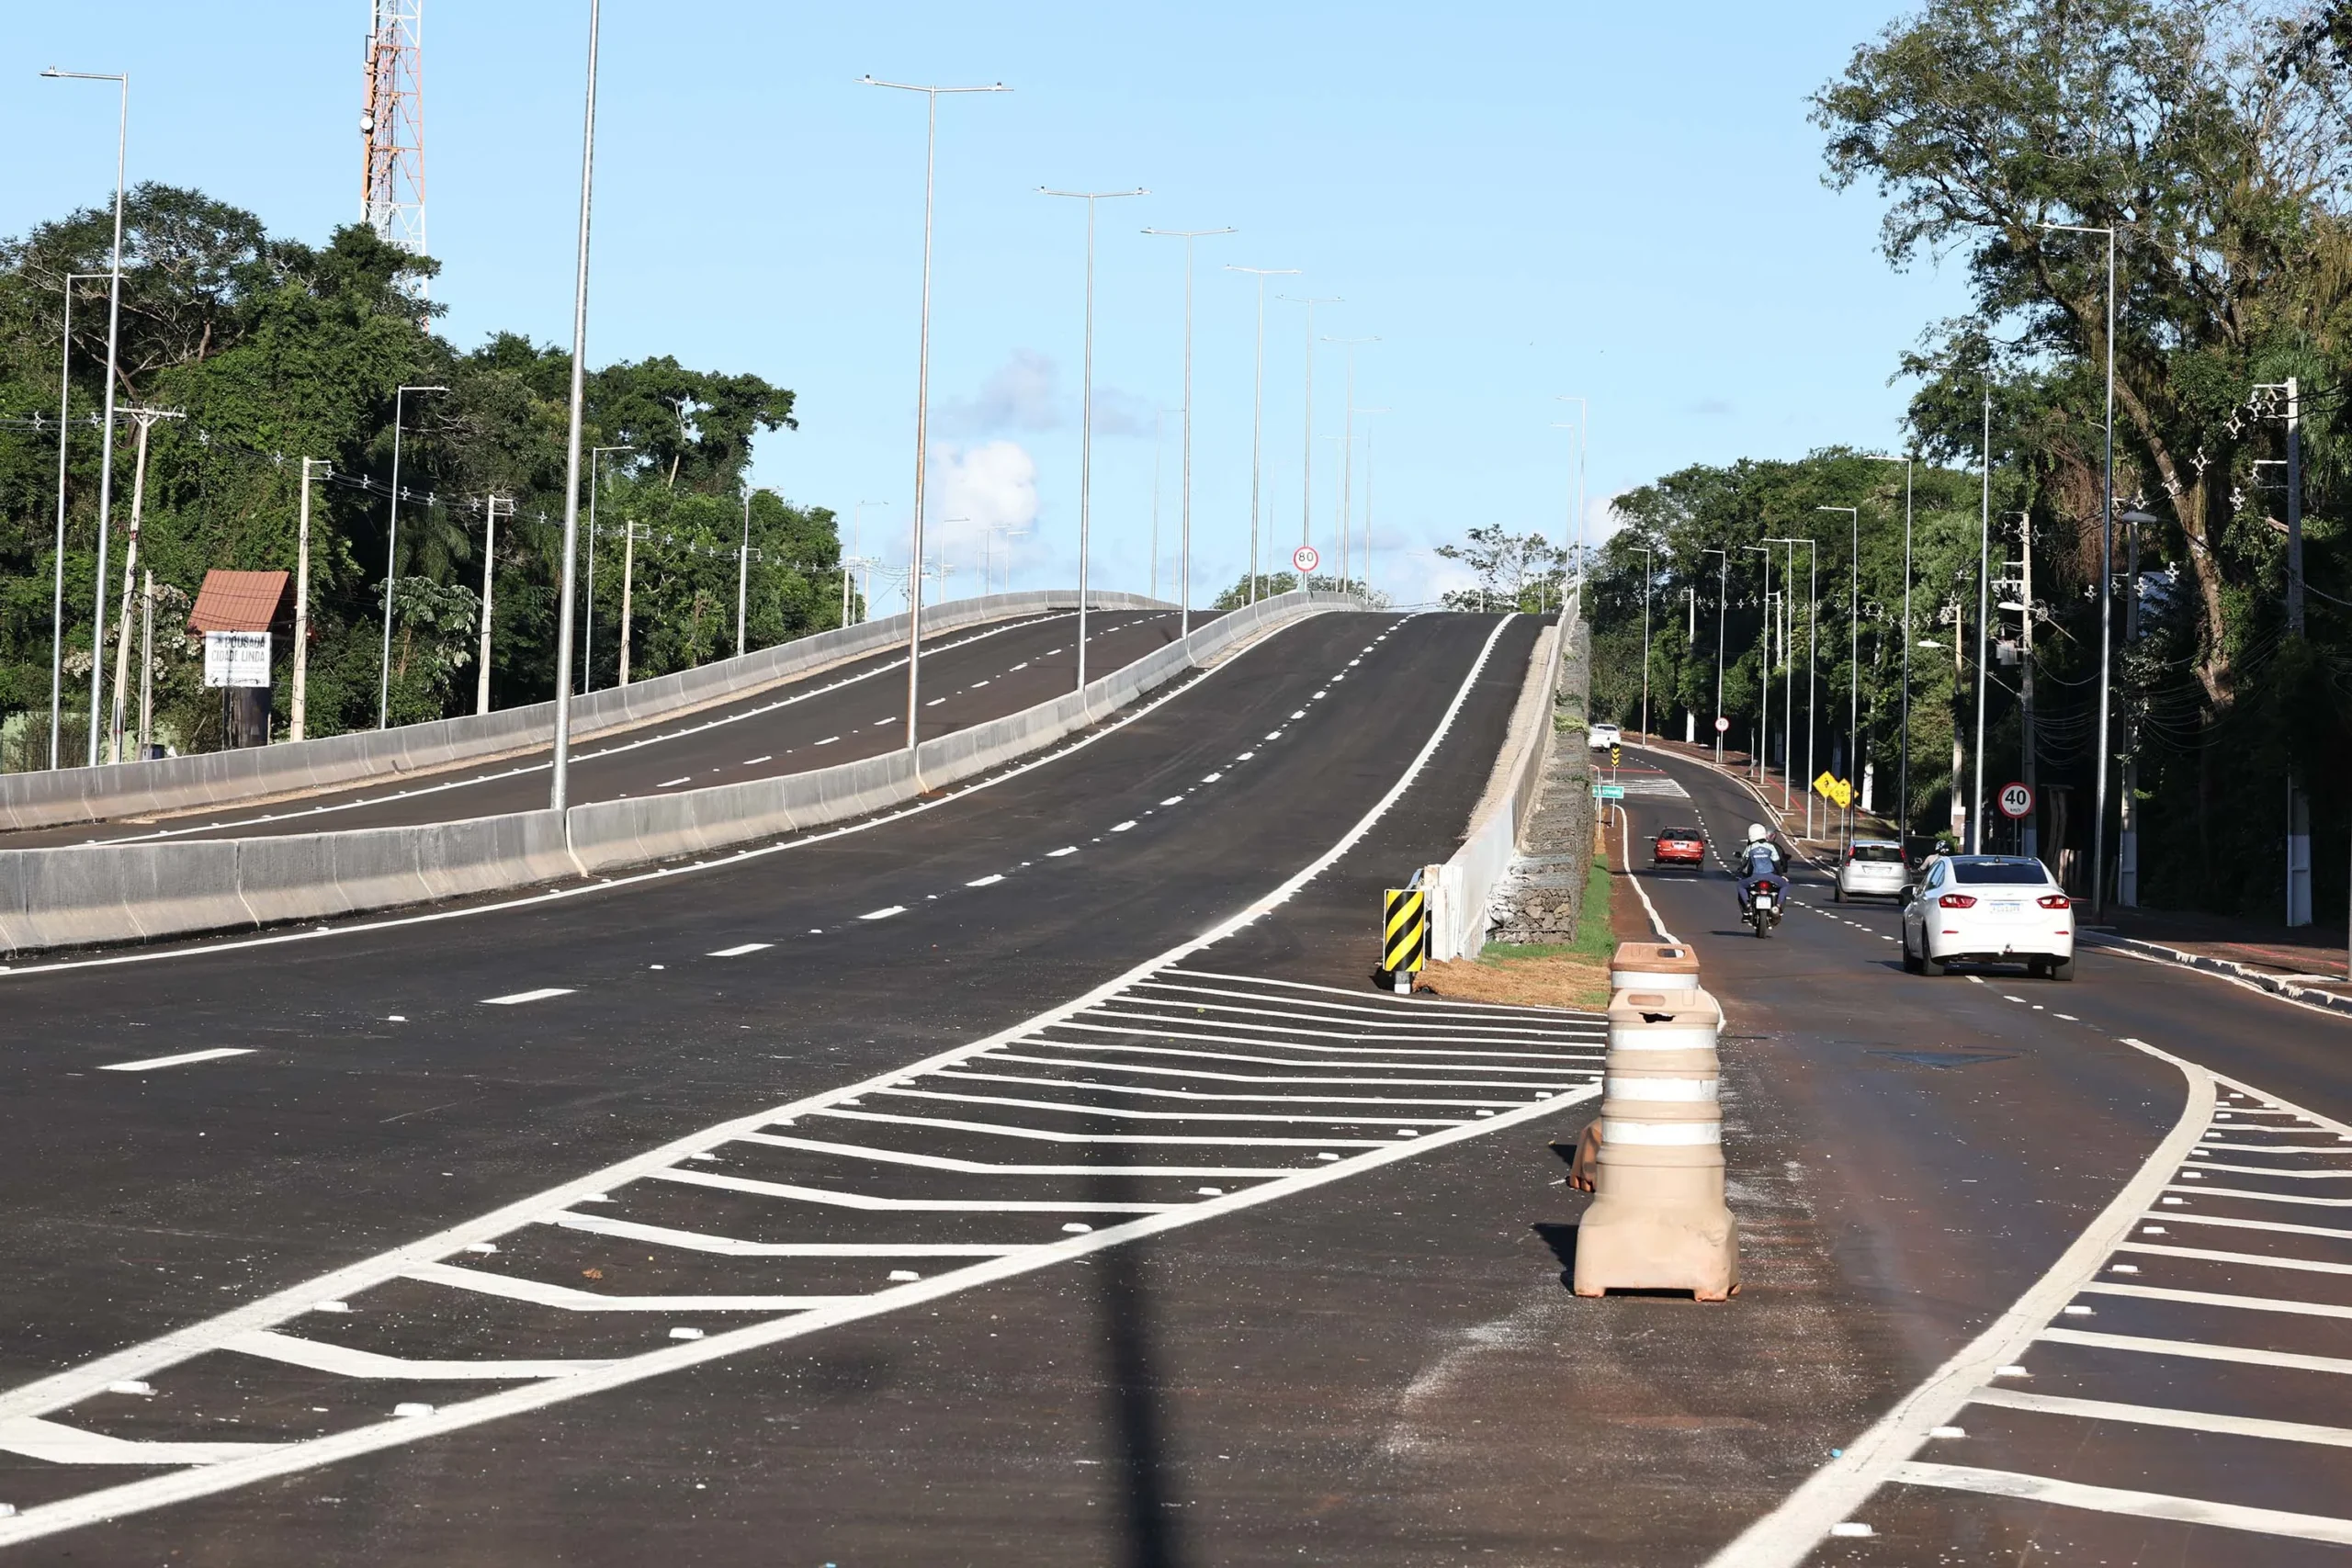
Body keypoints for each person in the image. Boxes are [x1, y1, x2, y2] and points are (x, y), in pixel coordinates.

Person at [1736, 822, 1784, 914]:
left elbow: (1744, 861)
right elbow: (1776, 862)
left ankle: (1747, 904)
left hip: (1755, 876)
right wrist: (1780, 874)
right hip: (1770, 876)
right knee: (1785, 884)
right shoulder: (1770, 846)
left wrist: (1740, 869)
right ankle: (1778, 906)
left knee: (1740, 885)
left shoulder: (1750, 847)